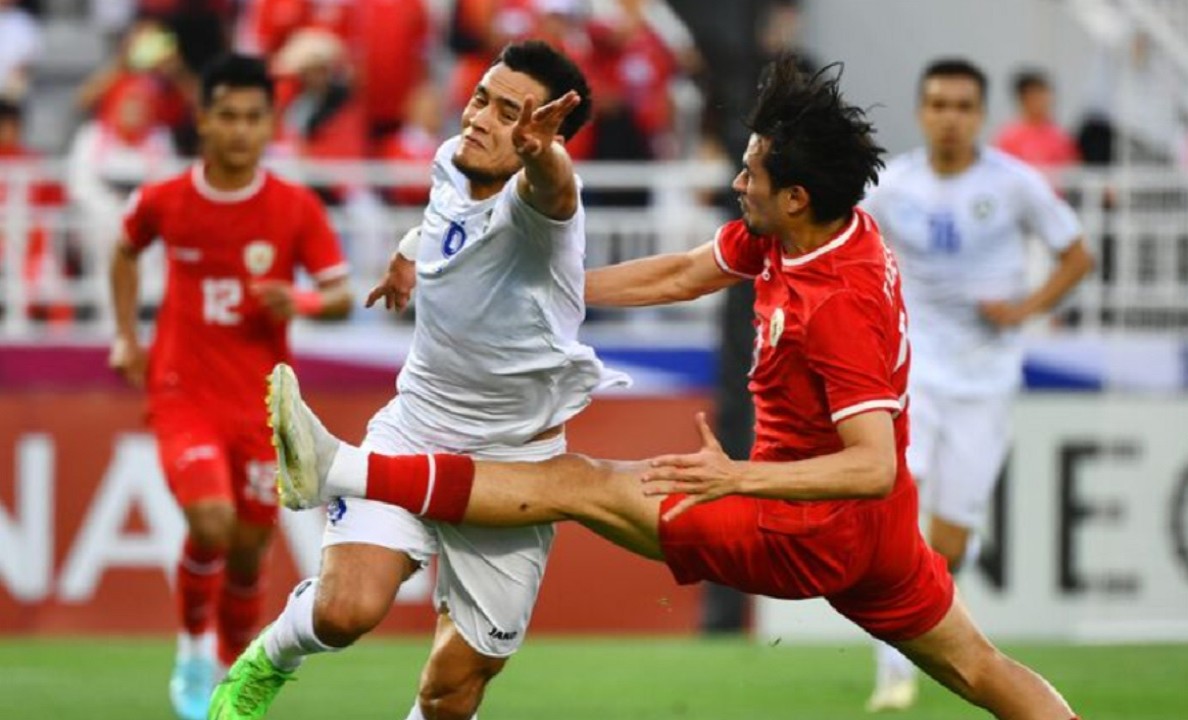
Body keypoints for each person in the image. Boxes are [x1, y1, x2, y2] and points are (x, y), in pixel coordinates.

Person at [269, 56, 1083, 720]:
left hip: (797, 523)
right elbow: (684, 272)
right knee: (979, 667)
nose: (737, 183)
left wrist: (738, 477)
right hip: (879, 531)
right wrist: (538, 283)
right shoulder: (812, 228)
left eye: (751, 173)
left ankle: (341, 469)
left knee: (576, 483)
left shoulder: (835, 304)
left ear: (794, 196)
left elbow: (867, 461)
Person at [211, 40, 613, 720]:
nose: (481, 118)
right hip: (415, 429)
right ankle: (267, 658)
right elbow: (440, 215)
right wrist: (405, 256)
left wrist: (544, 155)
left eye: (509, 115)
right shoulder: (452, 162)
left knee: (452, 691)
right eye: (482, 98)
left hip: (514, 468)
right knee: (345, 611)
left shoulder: (543, 215)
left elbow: (555, 190)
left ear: (539, 137)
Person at [106, 53, 353, 720]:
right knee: (210, 520)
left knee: (248, 552)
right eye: (228, 117)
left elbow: (339, 294)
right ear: (203, 120)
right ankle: (192, 649)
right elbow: (125, 247)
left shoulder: (293, 207)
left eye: (253, 118)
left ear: (270, 124)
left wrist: (295, 302)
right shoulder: (167, 199)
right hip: (182, 388)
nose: (241, 130)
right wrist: (127, 335)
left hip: (260, 404)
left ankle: (232, 671)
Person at [858, 58, 1094, 711]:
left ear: (980, 115)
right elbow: (847, 248)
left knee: (951, 540)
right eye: (938, 104)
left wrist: (1025, 308)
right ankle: (892, 667)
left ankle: (925, 629)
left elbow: (1078, 254)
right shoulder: (892, 185)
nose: (950, 117)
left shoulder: (1014, 184)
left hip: (987, 379)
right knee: (894, 504)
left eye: (963, 106)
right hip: (914, 373)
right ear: (920, 112)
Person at [993, 69, 1079, 173]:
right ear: (1022, 99)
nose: (1041, 101)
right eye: (1034, 96)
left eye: (1043, 94)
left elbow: (1072, 170)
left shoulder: (1061, 136)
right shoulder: (1009, 137)